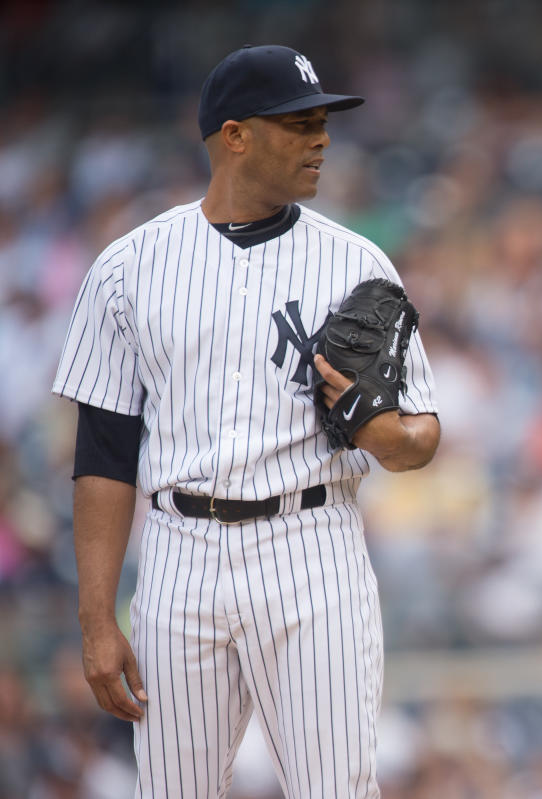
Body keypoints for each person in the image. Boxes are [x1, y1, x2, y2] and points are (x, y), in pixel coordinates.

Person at [51, 44, 440, 797]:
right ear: (234, 136)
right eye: (298, 124)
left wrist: (381, 431)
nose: (320, 138)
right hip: (178, 554)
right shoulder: (129, 269)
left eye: (323, 122)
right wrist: (97, 619)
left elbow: (422, 436)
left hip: (310, 547)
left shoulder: (357, 263)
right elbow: (103, 452)